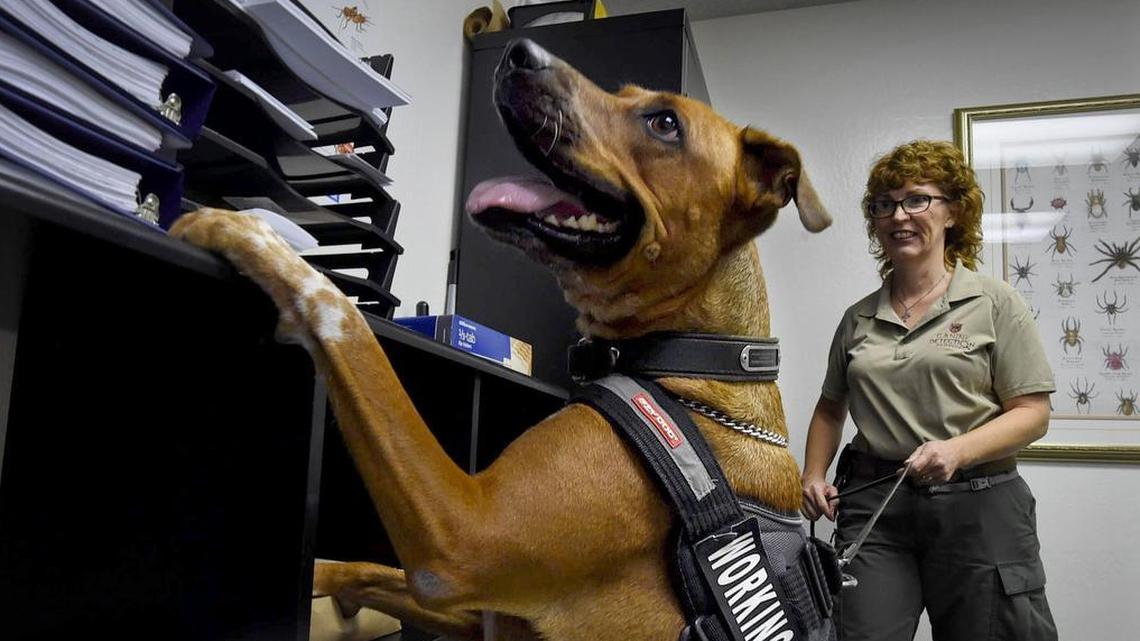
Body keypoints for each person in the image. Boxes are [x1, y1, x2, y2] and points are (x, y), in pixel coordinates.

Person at [801, 140, 1058, 641]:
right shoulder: (858, 318)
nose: (899, 214)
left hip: (979, 507)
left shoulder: (993, 303)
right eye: (885, 204)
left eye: (917, 199)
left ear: (953, 212)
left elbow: (1032, 413)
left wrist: (956, 451)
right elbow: (831, 409)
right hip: (877, 510)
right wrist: (813, 473)